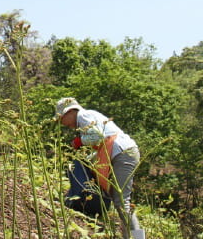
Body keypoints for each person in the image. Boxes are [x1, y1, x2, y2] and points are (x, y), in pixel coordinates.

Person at [56, 97, 144, 239]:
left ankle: (138, 237)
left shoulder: (83, 116)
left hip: (123, 153)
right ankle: (131, 236)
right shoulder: (88, 117)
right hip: (121, 154)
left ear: (70, 112)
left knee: (122, 201)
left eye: (61, 118)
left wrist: (78, 141)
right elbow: (102, 143)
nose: (62, 123)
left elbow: (98, 135)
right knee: (120, 200)